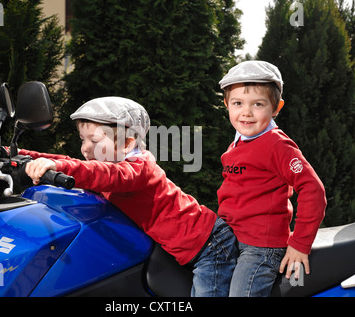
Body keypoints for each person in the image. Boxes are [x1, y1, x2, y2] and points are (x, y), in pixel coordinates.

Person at [21, 96, 238, 296]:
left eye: (94, 141)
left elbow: (99, 174)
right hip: (185, 247)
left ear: (127, 144)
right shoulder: (112, 164)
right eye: (82, 139)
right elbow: (69, 160)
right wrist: (23, 155)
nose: (85, 149)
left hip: (209, 245)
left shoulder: (137, 169)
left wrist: (58, 166)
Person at [217, 61, 326, 297]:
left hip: (261, 247)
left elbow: (312, 189)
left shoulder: (277, 145)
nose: (246, 112)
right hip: (232, 239)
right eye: (237, 103)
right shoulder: (238, 143)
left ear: (276, 108)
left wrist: (299, 243)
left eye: (258, 104)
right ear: (226, 104)